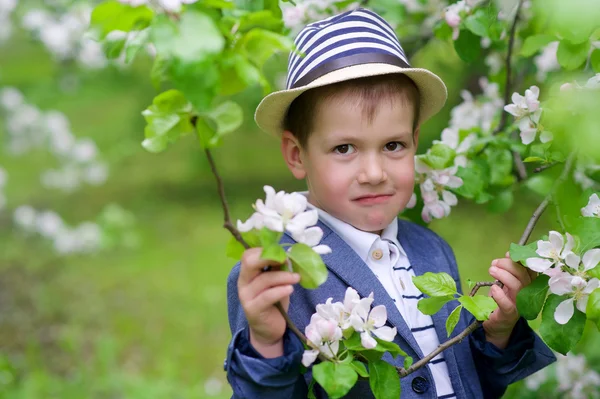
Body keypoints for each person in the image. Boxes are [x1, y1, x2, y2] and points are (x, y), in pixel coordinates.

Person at [224, 7, 555, 399]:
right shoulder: (280, 273)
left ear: (415, 141)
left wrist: (497, 333)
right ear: (297, 155)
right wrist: (265, 343)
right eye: (344, 148)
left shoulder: (431, 251)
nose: (374, 172)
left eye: (393, 145)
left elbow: (464, 379)